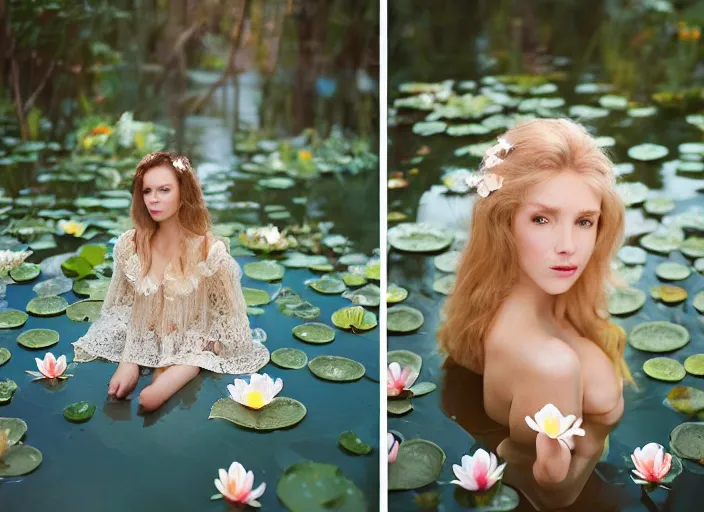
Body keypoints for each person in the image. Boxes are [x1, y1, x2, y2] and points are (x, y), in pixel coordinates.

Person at [437, 118, 632, 509]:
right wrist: (591, 440)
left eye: (584, 222)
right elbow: (553, 494)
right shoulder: (550, 365)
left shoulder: (514, 306)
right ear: (504, 223)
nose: (568, 246)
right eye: (542, 219)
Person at [73, 151, 269, 412]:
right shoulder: (129, 247)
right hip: (145, 332)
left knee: (161, 403)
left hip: (197, 340)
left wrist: (176, 375)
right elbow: (121, 310)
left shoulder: (210, 254)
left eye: (164, 190)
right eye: (147, 191)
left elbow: (230, 333)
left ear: (183, 193)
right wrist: (130, 359)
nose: (153, 199)